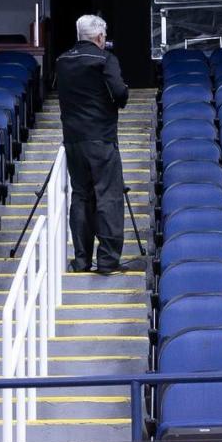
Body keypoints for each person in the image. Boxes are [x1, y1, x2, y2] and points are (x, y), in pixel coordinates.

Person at [55, 14, 132, 275]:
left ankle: (81, 260)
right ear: (100, 37)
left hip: (73, 140)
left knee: (81, 197)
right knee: (108, 197)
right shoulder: (105, 59)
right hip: (101, 138)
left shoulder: (62, 61)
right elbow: (119, 94)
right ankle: (108, 261)